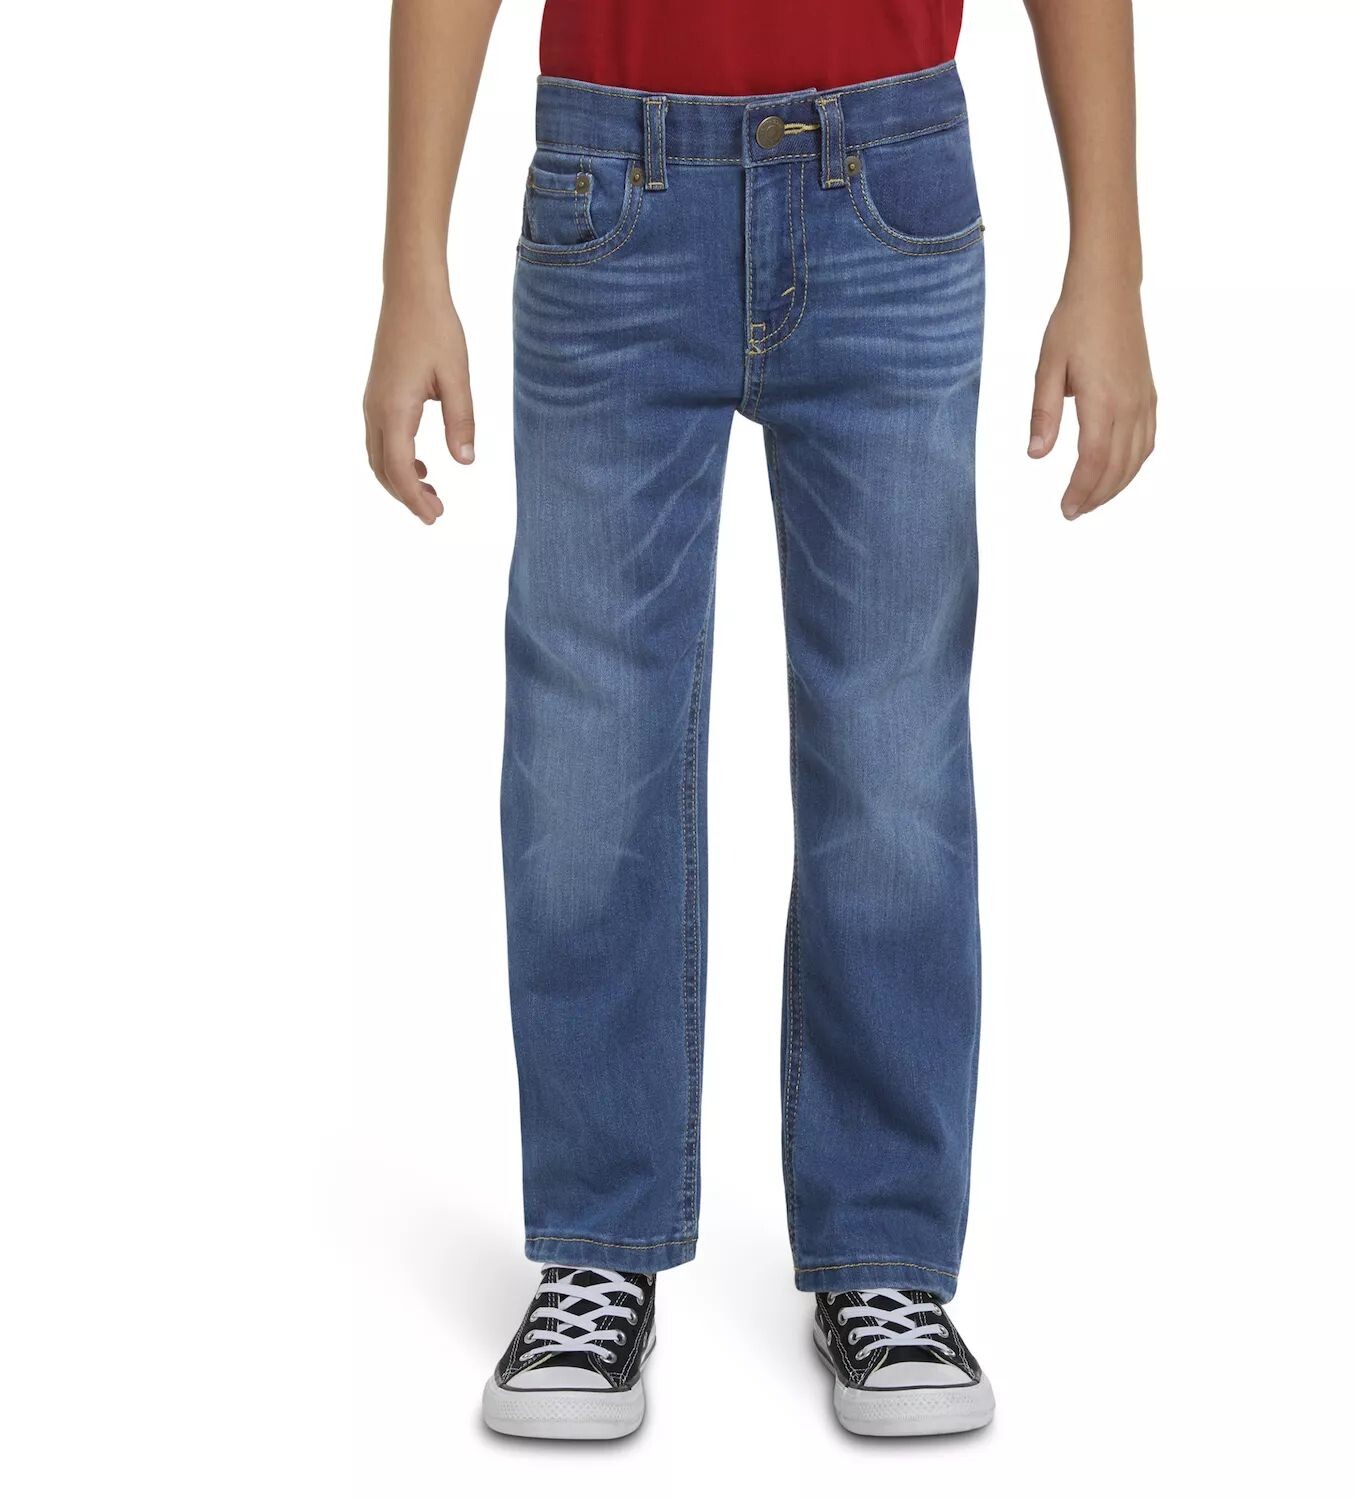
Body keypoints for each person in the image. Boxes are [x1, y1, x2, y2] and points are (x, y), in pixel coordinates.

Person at [363, 0, 1155, 1440]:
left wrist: (1110, 261)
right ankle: (599, 1242)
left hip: (889, 183)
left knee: (893, 759)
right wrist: (411, 262)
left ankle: (884, 1256)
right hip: (611, 188)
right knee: (587, 753)